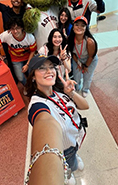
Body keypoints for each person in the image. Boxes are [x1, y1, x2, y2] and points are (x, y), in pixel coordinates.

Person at [25, 54, 89, 185]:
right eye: (42, 68)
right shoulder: (37, 105)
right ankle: (69, 172)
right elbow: (43, 121)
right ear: (32, 77)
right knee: (72, 164)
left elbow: (85, 106)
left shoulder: (60, 91)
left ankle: (74, 158)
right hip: (64, 149)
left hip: (75, 138)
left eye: (51, 67)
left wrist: (70, 93)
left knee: (74, 154)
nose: (49, 71)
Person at [0, 17, 37, 88]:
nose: (15, 31)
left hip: (28, 57)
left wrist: (28, 64)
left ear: (22, 28)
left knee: (33, 75)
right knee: (20, 78)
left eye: (17, 28)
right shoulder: (6, 35)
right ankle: (29, 88)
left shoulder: (29, 37)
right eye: (12, 29)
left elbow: (33, 51)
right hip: (16, 59)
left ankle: (36, 87)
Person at [68, 16, 98, 98]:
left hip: (90, 60)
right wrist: (78, 63)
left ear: (86, 28)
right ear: (73, 26)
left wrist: (85, 66)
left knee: (87, 76)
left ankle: (85, 89)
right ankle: (77, 88)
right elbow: (73, 53)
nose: (79, 27)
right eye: (77, 25)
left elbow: (91, 56)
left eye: (82, 25)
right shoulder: (71, 39)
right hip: (77, 58)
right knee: (76, 75)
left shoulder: (89, 41)